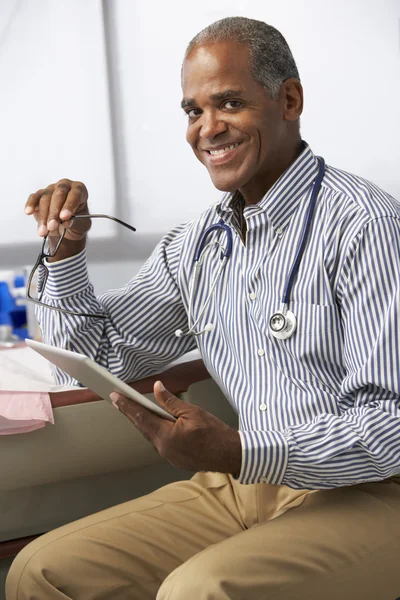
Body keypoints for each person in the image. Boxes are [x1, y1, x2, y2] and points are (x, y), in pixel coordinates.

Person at [6, 15, 400, 600]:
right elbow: (91, 358)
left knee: (198, 592)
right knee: (40, 573)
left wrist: (240, 449)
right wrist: (66, 256)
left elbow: (390, 426)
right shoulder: (196, 245)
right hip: (243, 484)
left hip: (373, 492)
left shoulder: (367, 225)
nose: (207, 129)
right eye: (193, 112)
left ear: (288, 99)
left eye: (230, 103)